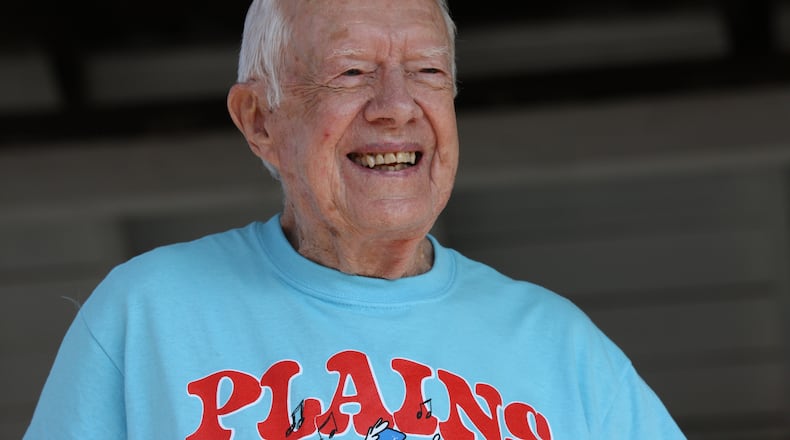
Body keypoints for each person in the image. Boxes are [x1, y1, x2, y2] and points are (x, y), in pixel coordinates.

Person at [24, 0, 686, 438]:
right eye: (351, 71)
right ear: (260, 120)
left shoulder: (563, 350)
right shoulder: (147, 316)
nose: (396, 106)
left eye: (427, 70)